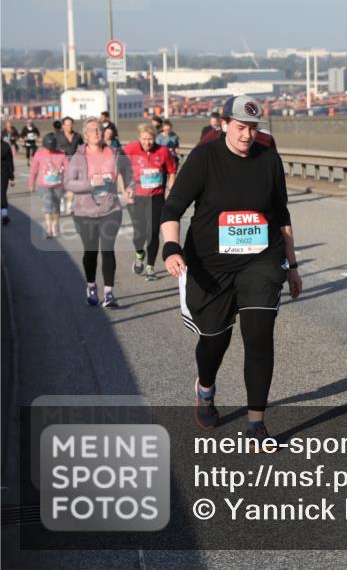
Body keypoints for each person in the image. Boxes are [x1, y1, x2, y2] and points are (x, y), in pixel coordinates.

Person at [160, 95, 302, 443]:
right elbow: (173, 207)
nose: (247, 135)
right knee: (214, 340)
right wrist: (171, 247)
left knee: (259, 337)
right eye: (240, 127)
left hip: (260, 261)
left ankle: (256, 424)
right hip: (211, 266)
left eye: (253, 128)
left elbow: (281, 213)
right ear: (224, 124)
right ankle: (206, 387)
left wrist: (292, 265)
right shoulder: (205, 157)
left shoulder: (268, 158)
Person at [63, 118, 134, 307]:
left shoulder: (115, 153)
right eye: (92, 130)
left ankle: (109, 293)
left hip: (110, 210)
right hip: (84, 213)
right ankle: (91, 286)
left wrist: (129, 187)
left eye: (99, 129)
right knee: (91, 252)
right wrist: (90, 184)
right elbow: (68, 183)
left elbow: (128, 172)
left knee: (108, 249)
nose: (96, 132)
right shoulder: (78, 157)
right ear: (85, 135)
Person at [124, 124, 177, 280]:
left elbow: (172, 171)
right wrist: (125, 188)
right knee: (139, 233)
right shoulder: (130, 149)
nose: (147, 142)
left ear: (155, 138)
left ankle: (150, 267)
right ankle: (139, 253)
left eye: (150, 139)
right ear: (139, 138)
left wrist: (170, 191)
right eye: (144, 139)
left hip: (156, 197)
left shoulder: (163, 151)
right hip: (137, 197)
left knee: (153, 232)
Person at [28, 133, 69, 238]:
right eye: (48, 148)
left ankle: (55, 226)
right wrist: (31, 183)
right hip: (44, 185)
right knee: (48, 204)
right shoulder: (39, 154)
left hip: (58, 185)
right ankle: (49, 229)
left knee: (55, 207)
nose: (50, 150)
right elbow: (34, 170)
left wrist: (62, 171)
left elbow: (68, 169)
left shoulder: (61, 154)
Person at [1, 139, 13, 226]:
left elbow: (9, 162)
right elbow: (9, 162)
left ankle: (4, 215)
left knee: (2, 194)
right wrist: (11, 176)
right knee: (2, 194)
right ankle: (4, 215)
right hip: (4, 172)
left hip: (4, 172)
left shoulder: (5, 146)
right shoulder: (5, 146)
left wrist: (11, 176)